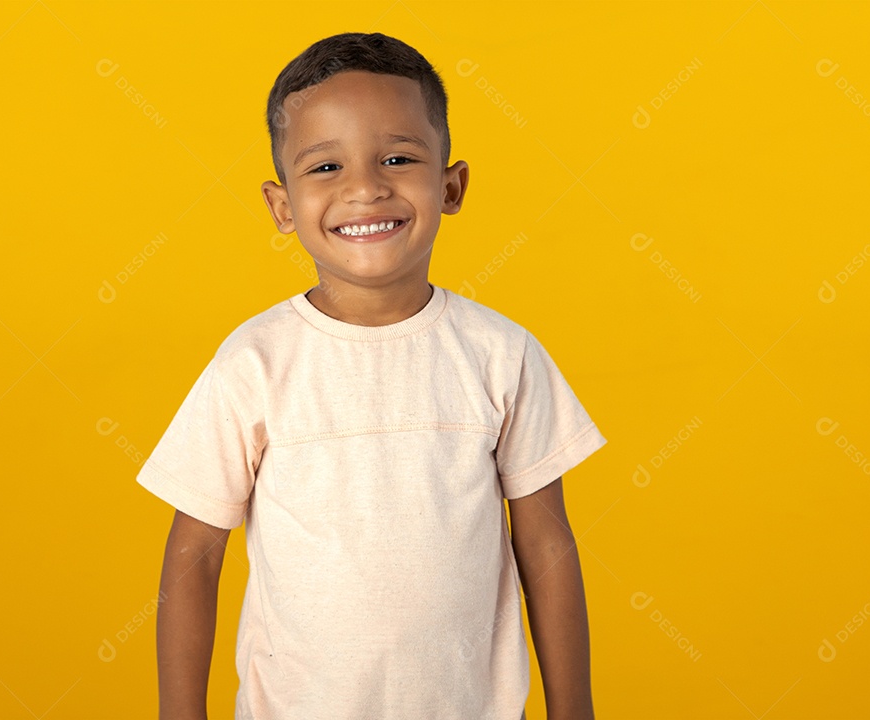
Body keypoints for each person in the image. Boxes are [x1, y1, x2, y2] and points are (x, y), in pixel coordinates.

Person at [136, 31, 608, 720]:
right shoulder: (254, 363)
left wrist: (577, 711)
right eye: (325, 167)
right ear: (282, 206)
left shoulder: (501, 354)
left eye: (398, 157)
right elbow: (195, 554)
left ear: (451, 186)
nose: (365, 187)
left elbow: (545, 543)